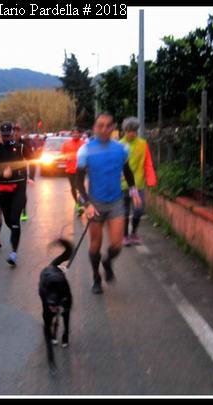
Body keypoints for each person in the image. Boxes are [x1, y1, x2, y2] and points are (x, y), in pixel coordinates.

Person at [75, 113, 141, 294]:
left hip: (115, 202)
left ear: (113, 128)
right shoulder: (85, 150)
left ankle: (107, 262)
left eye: (107, 125)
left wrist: (134, 191)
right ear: (95, 128)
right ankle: (96, 277)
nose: (104, 129)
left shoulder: (122, 149)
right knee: (95, 244)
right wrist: (86, 204)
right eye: (100, 125)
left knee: (117, 245)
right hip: (95, 203)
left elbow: (127, 171)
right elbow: (78, 181)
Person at [0, 122, 36, 267]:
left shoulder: (20, 147)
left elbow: (33, 160)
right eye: (3, 136)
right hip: (3, 188)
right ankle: (14, 231)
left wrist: (31, 176)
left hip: (19, 187)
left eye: (8, 135)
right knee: (9, 221)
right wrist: (1, 173)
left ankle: (14, 253)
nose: (6, 138)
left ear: (13, 134)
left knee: (15, 220)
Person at [120, 117, 158, 246]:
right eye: (129, 130)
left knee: (138, 210)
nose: (132, 133)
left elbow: (148, 162)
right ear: (124, 131)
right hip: (123, 184)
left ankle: (134, 233)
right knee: (125, 211)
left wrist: (151, 179)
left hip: (138, 184)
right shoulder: (119, 145)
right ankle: (125, 236)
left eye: (134, 130)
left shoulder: (143, 144)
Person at [60, 126, 85, 215]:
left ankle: (81, 203)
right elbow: (62, 155)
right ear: (71, 134)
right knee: (73, 187)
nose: (75, 134)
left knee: (80, 187)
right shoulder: (66, 144)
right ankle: (77, 203)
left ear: (80, 134)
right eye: (73, 133)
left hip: (80, 169)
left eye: (77, 133)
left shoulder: (84, 144)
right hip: (70, 170)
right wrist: (66, 158)